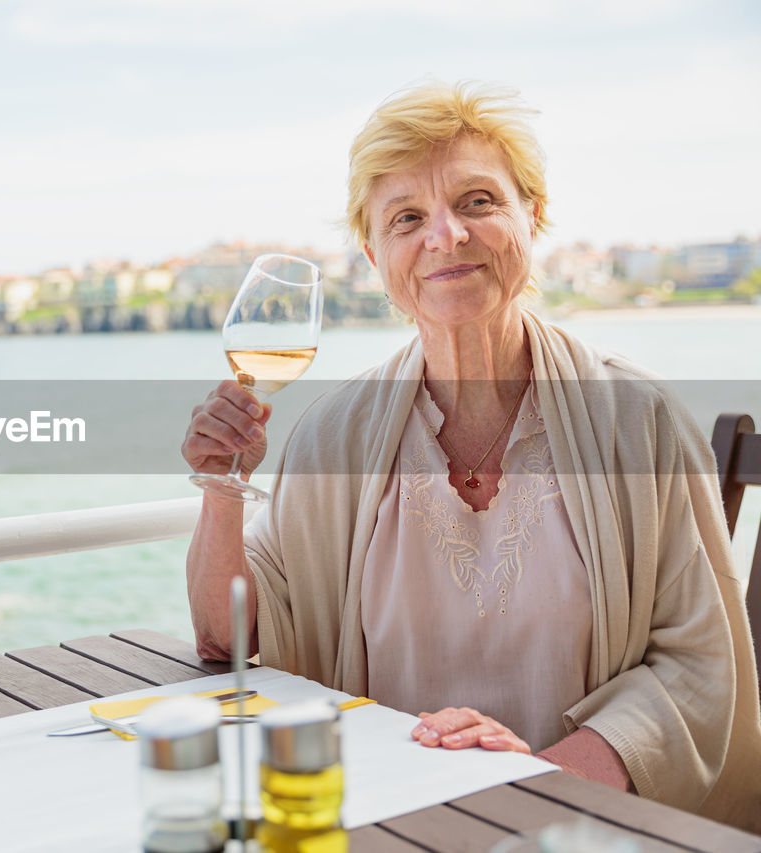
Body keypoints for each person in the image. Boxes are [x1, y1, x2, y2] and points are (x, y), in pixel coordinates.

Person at [181, 80, 761, 831]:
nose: (445, 236)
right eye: (407, 218)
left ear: (533, 214)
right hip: (384, 821)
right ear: (374, 254)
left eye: (478, 202)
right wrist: (223, 483)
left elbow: (699, 671)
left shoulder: (638, 421)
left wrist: (535, 784)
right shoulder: (331, 438)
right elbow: (226, 638)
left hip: (578, 823)